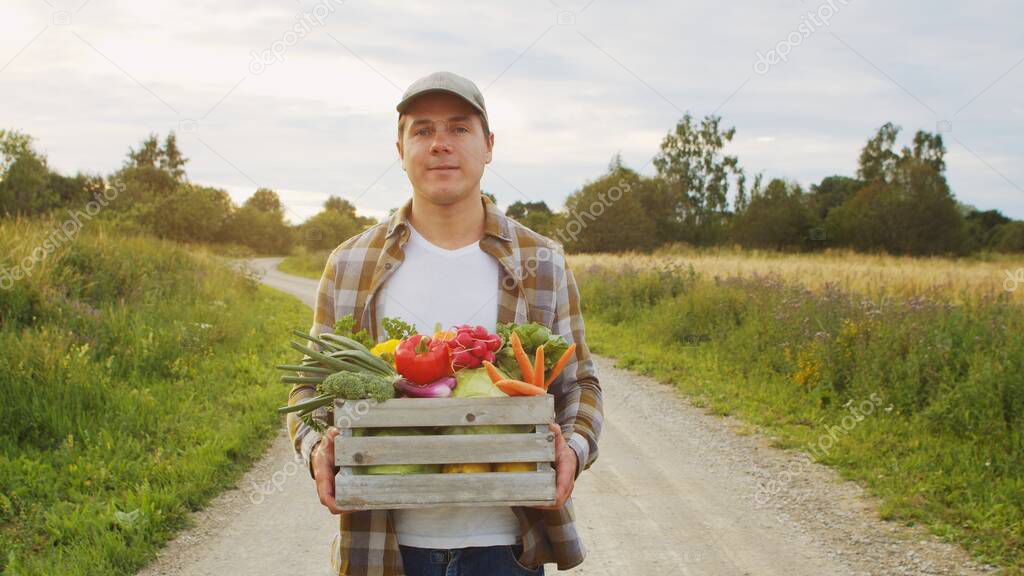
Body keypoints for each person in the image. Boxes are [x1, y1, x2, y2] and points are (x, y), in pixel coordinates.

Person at [285, 70, 603, 576]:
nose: (440, 145)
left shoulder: (541, 260)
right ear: (400, 148)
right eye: (422, 130)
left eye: (458, 128)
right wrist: (314, 448)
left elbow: (580, 382)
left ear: (489, 145)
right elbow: (308, 390)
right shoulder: (350, 264)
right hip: (384, 546)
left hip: (507, 545)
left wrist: (575, 449)